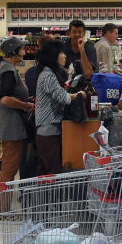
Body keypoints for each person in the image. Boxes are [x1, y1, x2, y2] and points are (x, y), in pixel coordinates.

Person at [0, 36, 35, 212]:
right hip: (12, 126)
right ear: (14, 52)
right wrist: (26, 106)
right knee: (9, 170)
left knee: (9, 168)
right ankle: (3, 211)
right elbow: (6, 99)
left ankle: (3, 210)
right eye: (22, 49)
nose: (24, 51)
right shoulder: (8, 70)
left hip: (5, 123)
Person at [31, 39, 85, 175]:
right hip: (49, 132)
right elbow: (63, 98)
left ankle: (44, 196)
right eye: (61, 52)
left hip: (47, 131)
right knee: (54, 172)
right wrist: (78, 95)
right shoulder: (48, 75)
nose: (65, 56)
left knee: (45, 172)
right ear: (53, 55)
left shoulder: (47, 73)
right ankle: (52, 197)